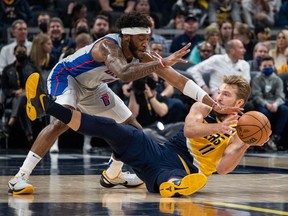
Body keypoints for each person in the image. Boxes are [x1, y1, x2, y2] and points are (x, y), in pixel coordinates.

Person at [8, 12, 241, 195]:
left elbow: (179, 80)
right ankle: (20, 177)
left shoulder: (142, 51)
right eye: (142, 38)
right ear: (127, 36)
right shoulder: (108, 46)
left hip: (94, 86)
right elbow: (124, 73)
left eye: (148, 39)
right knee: (62, 122)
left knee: (132, 128)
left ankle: (112, 174)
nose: (145, 44)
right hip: (67, 77)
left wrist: (214, 105)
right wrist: (161, 64)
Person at [23, 73, 263, 198]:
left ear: (239, 102)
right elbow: (190, 130)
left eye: (226, 95)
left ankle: (173, 186)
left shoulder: (240, 131)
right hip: (161, 151)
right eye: (219, 92)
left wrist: (245, 144)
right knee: (114, 128)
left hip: (185, 169)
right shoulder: (204, 106)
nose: (219, 97)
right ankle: (47, 106)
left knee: (173, 178)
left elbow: (222, 168)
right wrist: (217, 128)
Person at [1, 45, 38, 144]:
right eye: (19, 53)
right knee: (23, 106)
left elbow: (38, 85)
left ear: (27, 54)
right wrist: (14, 92)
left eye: (23, 53)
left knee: (23, 98)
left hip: (30, 99)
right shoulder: (7, 69)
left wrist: (27, 91)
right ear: (14, 54)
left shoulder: (32, 69)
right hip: (12, 99)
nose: (21, 55)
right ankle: (30, 137)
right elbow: (4, 89)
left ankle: (9, 125)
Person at [251, 56, 288, 151]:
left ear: (274, 66)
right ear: (260, 67)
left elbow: (280, 96)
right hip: (262, 103)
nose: (267, 67)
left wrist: (275, 104)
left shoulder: (278, 80)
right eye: (264, 65)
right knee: (264, 113)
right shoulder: (256, 79)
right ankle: (264, 138)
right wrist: (266, 104)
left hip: (275, 104)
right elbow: (256, 96)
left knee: (284, 110)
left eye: (270, 65)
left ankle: (275, 137)